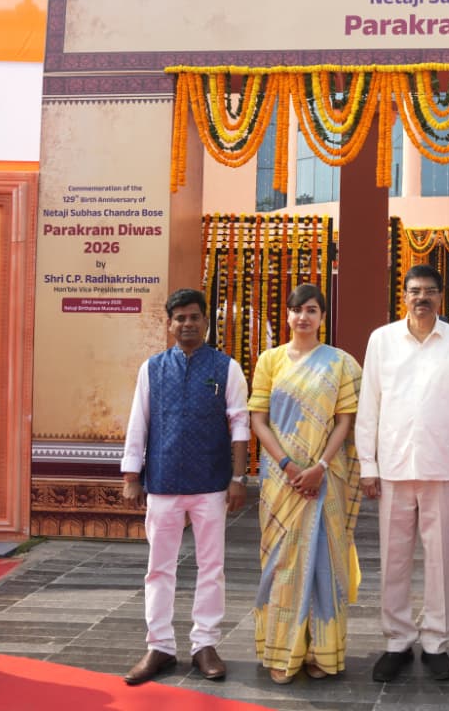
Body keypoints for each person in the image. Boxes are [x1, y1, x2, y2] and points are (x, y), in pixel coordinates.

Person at [356, 265, 449, 683]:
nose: (422, 298)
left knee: (442, 558)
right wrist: (368, 465)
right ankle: (396, 640)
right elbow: (369, 405)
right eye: (415, 291)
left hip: (444, 466)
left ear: (441, 297)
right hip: (392, 466)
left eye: (430, 291)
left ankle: (436, 642)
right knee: (393, 558)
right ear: (404, 296)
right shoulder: (382, 340)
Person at [120, 288, 249, 686]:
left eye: (194, 317)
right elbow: (138, 422)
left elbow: (240, 425)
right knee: (159, 568)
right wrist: (131, 475)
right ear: (170, 323)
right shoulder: (153, 368)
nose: (187, 324)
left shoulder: (226, 367)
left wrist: (238, 478)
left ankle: (204, 645)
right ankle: (159, 646)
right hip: (162, 482)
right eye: (180, 318)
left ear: (206, 321)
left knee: (212, 566)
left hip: (211, 482)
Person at [248, 283, 362, 684]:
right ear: (288, 314)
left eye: (311, 309)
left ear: (322, 317)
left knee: (325, 563)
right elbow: (258, 418)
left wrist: (320, 466)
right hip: (281, 481)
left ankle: (322, 652)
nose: (303, 317)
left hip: (326, 478)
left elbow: (346, 421)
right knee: (282, 563)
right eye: (296, 309)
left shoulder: (341, 363)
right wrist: (287, 464)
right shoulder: (270, 360)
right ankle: (283, 651)